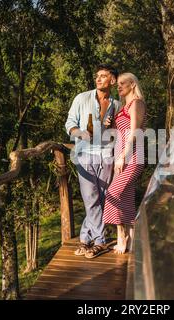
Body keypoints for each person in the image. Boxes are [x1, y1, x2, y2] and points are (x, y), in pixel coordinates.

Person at [65, 63, 120, 259]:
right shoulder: (82, 98)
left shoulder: (117, 104)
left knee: (102, 198)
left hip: (106, 154)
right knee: (90, 198)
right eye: (97, 76)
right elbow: (69, 123)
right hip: (84, 153)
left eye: (103, 76)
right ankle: (100, 241)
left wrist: (112, 126)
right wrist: (80, 133)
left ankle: (84, 238)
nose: (98, 79)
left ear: (112, 80)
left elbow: (118, 132)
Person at [102, 73, 147, 254]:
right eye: (118, 84)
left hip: (132, 156)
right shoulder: (122, 107)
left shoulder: (137, 103)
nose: (118, 86)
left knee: (112, 193)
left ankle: (122, 237)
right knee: (126, 198)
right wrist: (110, 124)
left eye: (122, 83)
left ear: (132, 84)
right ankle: (133, 238)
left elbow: (134, 132)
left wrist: (123, 156)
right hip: (121, 156)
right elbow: (120, 132)